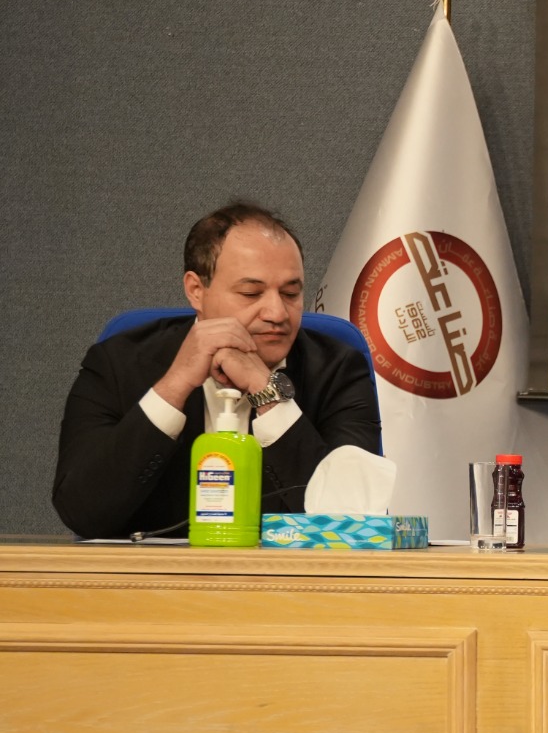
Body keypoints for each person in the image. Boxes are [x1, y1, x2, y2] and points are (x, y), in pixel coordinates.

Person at [55, 201, 383, 539]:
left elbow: (354, 522)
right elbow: (81, 511)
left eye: (290, 293)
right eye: (251, 293)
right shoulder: (119, 363)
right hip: (152, 572)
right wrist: (174, 385)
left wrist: (266, 390)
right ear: (196, 291)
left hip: (284, 573)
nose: (277, 313)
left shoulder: (338, 370)